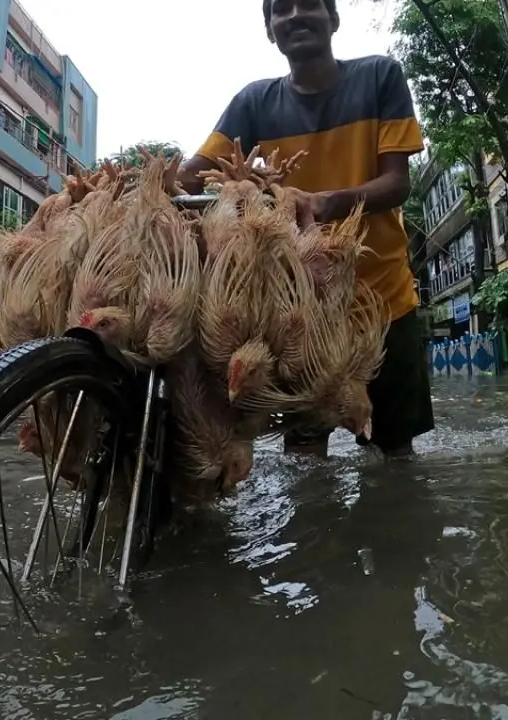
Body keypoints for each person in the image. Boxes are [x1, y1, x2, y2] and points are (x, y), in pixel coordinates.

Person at [178, 0, 434, 458]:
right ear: (270, 30)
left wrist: (325, 203)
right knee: (305, 462)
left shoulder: (380, 77)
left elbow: (397, 183)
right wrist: (138, 187)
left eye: (309, 3)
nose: (295, 14)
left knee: (395, 456)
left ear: (333, 19)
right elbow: (193, 175)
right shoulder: (254, 102)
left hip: (383, 302)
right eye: (281, 9)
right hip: (298, 316)